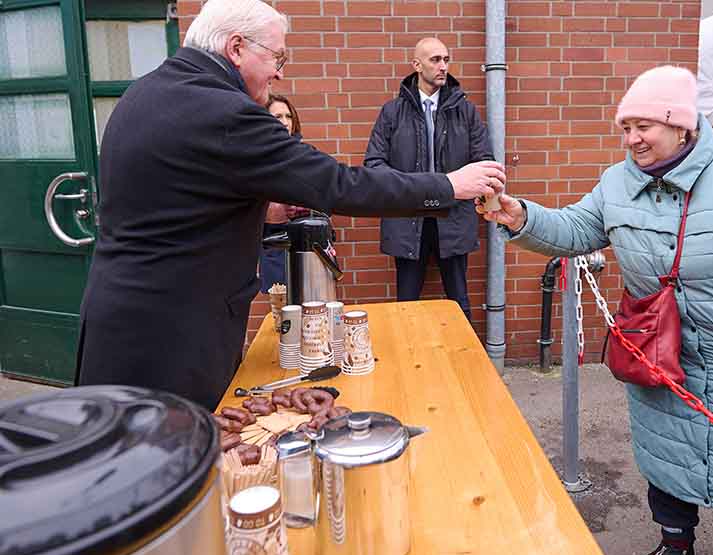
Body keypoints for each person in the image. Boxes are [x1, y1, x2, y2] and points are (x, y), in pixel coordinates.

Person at [75, 0, 505, 410]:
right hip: (171, 342)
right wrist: (449, 185)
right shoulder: (222, 111)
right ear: (237, 48)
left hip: (122, 324)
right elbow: (337, 184)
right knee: (176, 471)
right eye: (277, 58)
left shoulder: (148, 92)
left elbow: (173, 206)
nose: (279, 75)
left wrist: (263, 216)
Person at [480, 66, 713, 555]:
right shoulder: (616, 182)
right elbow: (579, 228)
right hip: (659, 353)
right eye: (625, 128)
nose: (632, 139)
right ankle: (675, 545)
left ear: (681, 125)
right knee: (669, 461)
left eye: (644, 126)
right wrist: (520, 217)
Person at [364, 37, 492, 321]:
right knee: (405, 305)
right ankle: (406, 363)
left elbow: (484, 161)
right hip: (407, 218)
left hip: (454, 217)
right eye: (435, 60)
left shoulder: (465, 111)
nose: (443, 66)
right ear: (417, 65)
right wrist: (409, 190)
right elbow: (374, 164)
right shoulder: (393, 112)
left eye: (446, 59)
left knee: (459, 302)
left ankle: (465, 363)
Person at [260, 93, 307, 293]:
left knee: (312, 309)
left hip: (306, 242)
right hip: (273, 241)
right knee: (282, 311)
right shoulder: (253, 157)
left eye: (288, 117)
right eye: (278, 117)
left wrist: (306, 205)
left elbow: (326, 197)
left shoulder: (306, 155)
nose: (285, 122)